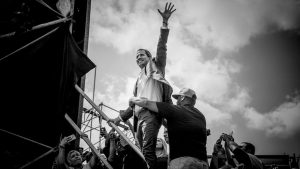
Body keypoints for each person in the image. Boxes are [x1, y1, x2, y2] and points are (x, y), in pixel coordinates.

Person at [109, 2, 176, 169]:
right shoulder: (137, 81)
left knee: (147, 149)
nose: (138, 57)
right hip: (139, 118)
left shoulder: (156, 67)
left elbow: (162, 47)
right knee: (139, 152)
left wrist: (165, 24)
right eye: (136, 56)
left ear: (149, 57)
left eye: (141, 55)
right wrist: (117, 120)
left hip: (152, 114)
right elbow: (132, 106)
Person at [129, 87, 208, 169]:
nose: (176, 101)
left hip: (183, 162)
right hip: (203, 163)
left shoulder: (175, 110)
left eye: (178, 98)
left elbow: (146, 103)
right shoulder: (201, 116)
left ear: (183, 98)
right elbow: (179, 125)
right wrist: (162, 120)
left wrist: (132, 99)